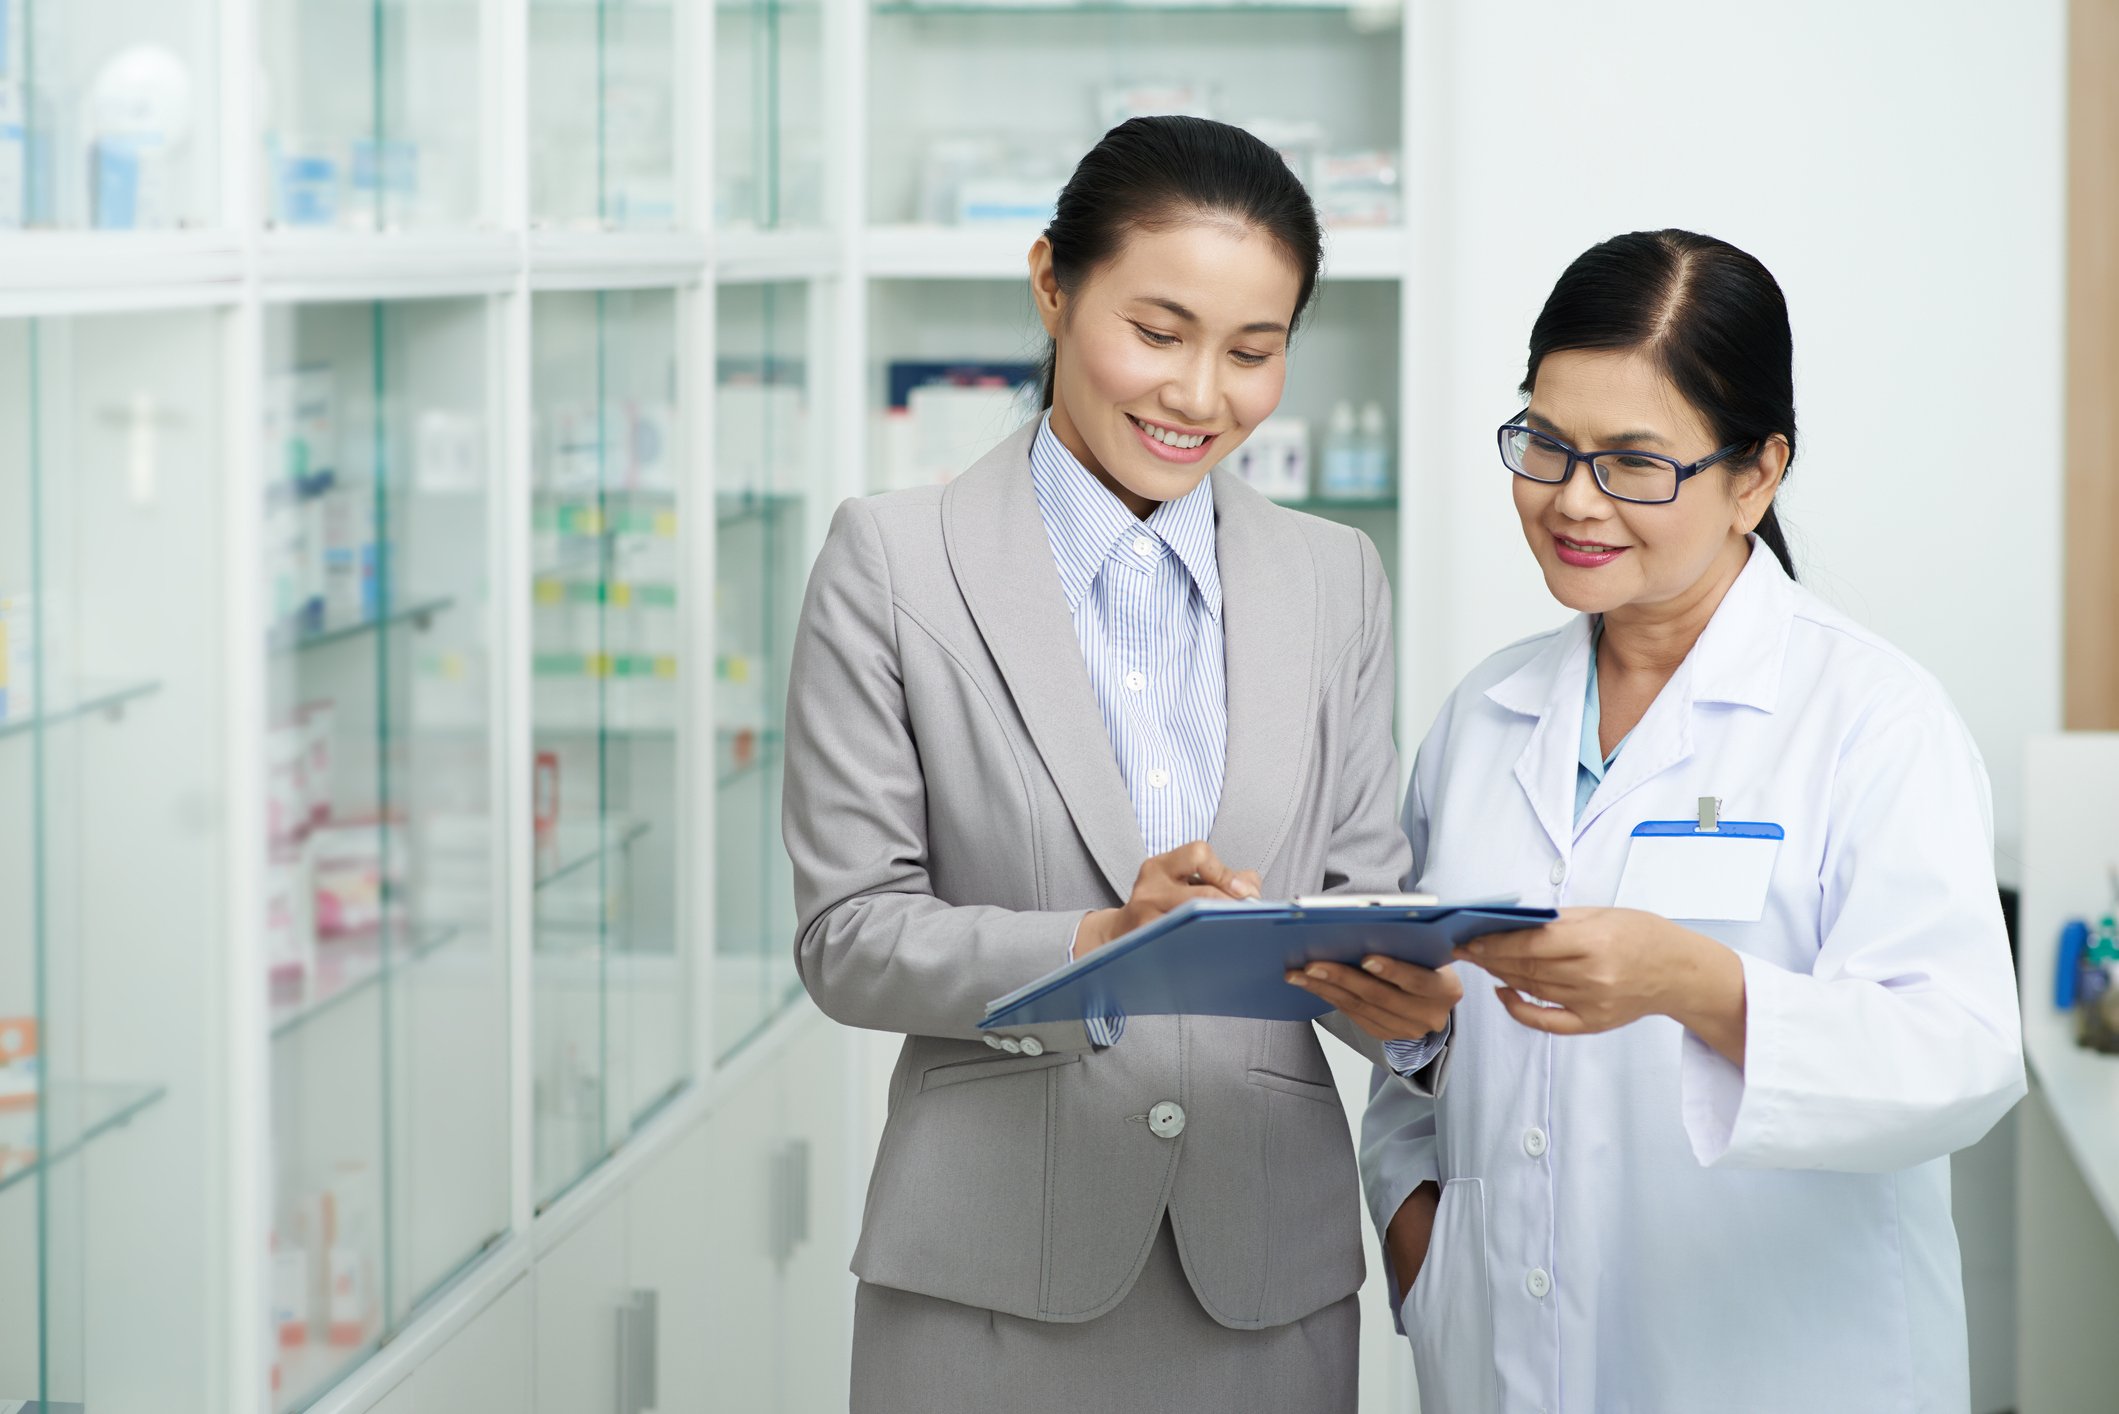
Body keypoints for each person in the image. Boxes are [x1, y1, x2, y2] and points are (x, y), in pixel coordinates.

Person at [783, 115, 1458, 1411]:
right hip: (985, 1281)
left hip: (1261, 1277)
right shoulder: (893, 560)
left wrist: (1417, 1008)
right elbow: (851, 936)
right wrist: (1102, 935)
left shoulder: (1332, 577)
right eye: (1157, 333)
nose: (1200, 395)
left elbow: (1365, 890)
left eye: (1252, 352)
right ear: (1050, 281)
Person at [1349, 229, 2025, 1413]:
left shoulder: (1870, 717)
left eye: (1633, 464)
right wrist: (1419, 1235)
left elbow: (1962, 1060)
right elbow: (1428, 1059)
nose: (1571, 500)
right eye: (1545, 442)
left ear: (1755, 475)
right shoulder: (1483, 717)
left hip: (1776, 1367)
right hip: (1500, 1353)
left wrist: (1698, 984)